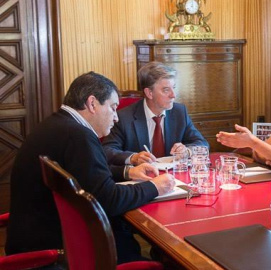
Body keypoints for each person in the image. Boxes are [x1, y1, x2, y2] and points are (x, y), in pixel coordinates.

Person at [6, 72, 176, 263]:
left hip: (33, 235)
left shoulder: (57, 124)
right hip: (57, 250)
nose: (116, 117)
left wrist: (127, 171)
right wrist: (155, 187)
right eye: (112, 108)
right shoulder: (78, 135)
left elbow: (84, 172)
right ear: (92, 103)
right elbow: (109, 200)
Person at [102, 62, 208, 166]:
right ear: (149, 93)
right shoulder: (124, 117)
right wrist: (133, 158)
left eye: (174, 88)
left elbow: (202, 144)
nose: (173, 95)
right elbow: (107, 150)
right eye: (166, 90)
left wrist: (187, 151)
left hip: (173, 178)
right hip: (140, 179)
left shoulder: (179, 112)